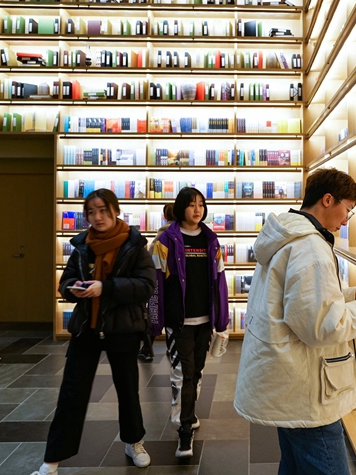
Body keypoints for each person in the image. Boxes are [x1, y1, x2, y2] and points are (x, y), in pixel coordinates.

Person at [233, 167, 356, 475]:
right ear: (328, 200)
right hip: (307, 390)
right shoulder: (310, 246)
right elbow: (322, 326)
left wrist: (350, 295)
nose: (347, 220)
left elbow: (296, 301)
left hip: (287, 379)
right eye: (348, 210)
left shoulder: (289, 236)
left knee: (294, 465)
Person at [32, 189, 157, 475]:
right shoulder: (82, 246)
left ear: (115, 211)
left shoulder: (134, 244)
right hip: (87, 327)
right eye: (91, 212)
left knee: (127, 390)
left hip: (123, 328)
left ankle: (134, 442)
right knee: (72, 393)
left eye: (102, 210)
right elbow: (65, 282)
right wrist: (74, 288)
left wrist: (106, 287)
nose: (97, 217)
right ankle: (52, 460)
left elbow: (146, 286)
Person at [150, 187, 229, 458]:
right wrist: (155, 321)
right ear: (181, 207)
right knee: (184, 374)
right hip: (179, 321)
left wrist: (222, 320)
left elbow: (220, 282)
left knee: (196, 373)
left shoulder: (211, 240)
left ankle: (189, 414)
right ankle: (185, 433)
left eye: (201, 204)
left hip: (204, 320)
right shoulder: (166, 241)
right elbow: (156, 284)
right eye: (192, 204)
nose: (197, 210)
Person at [139, 203, 175, 362]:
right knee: (171, 316)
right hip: (174, 283)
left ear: (165, 216)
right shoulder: (180, 233)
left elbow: (151, 258)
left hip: (158, 281)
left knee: (154, 314)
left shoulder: (162, 234)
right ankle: (171, 347)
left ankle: (147, 349)